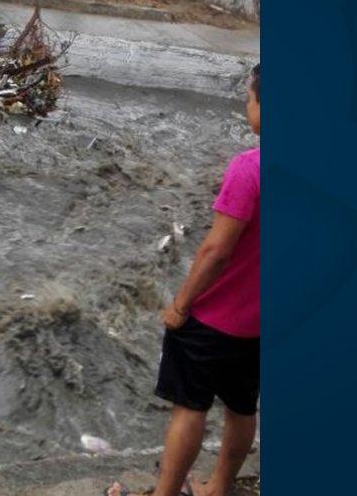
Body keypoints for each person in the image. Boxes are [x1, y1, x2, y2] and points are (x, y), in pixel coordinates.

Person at [109, 65, 261, 496]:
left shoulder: (249, 169)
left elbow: (217, 250)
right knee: (241, 407)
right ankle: (219, 487)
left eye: (250, 97)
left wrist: (180, 306)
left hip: (215, 320)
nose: (246, 104)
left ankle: (166, 492)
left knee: (189, 408)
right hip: (261, 323)